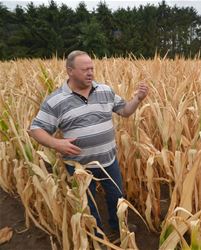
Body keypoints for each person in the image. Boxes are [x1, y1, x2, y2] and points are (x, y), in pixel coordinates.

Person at [28, 50, 148, 239]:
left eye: (91, 68)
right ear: (70, 71)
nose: (90, 72)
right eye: (85, 69)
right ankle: (96, 237)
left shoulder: (105, 91)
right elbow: (35, 129)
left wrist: (138, 99)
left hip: (108, 161)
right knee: (87, 205)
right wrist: (56, 143)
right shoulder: (56, 100)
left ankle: (119, 228)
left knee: (117, 199)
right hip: (79, 167)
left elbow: (125, 111)